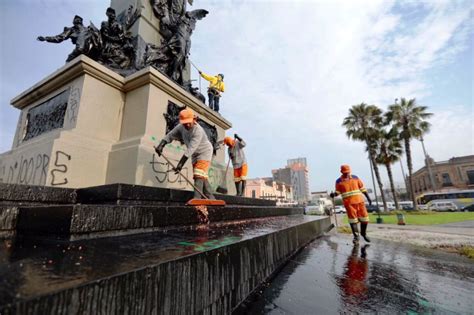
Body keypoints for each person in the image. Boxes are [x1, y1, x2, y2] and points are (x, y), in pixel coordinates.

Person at [154, 108, 214, 199]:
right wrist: (162, 145)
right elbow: (170, 135)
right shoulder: (181, 127)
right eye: (185, 123)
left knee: (198, 173)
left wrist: (180, 164)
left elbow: (190, 149)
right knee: (202, 176)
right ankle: (211, 197)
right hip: (195, 154)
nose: (187, 125)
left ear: (194, 120)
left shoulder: (198, 131)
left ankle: (197, 198)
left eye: (189, 122)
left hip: (204, 151)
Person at [330, 165, 372, 244]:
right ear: (341, 172)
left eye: (348, 172)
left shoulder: (355, 178)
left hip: (360, 202)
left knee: (365, 219)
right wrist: (333, 195)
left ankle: (363, 233)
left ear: (350, 171)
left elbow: (362, 188)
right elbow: (338, 192)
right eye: (345, 173)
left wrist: (368, 198)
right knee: (353, 221)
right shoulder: (338, 181)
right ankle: (356, 237)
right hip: (349, 204)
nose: (347, 174)